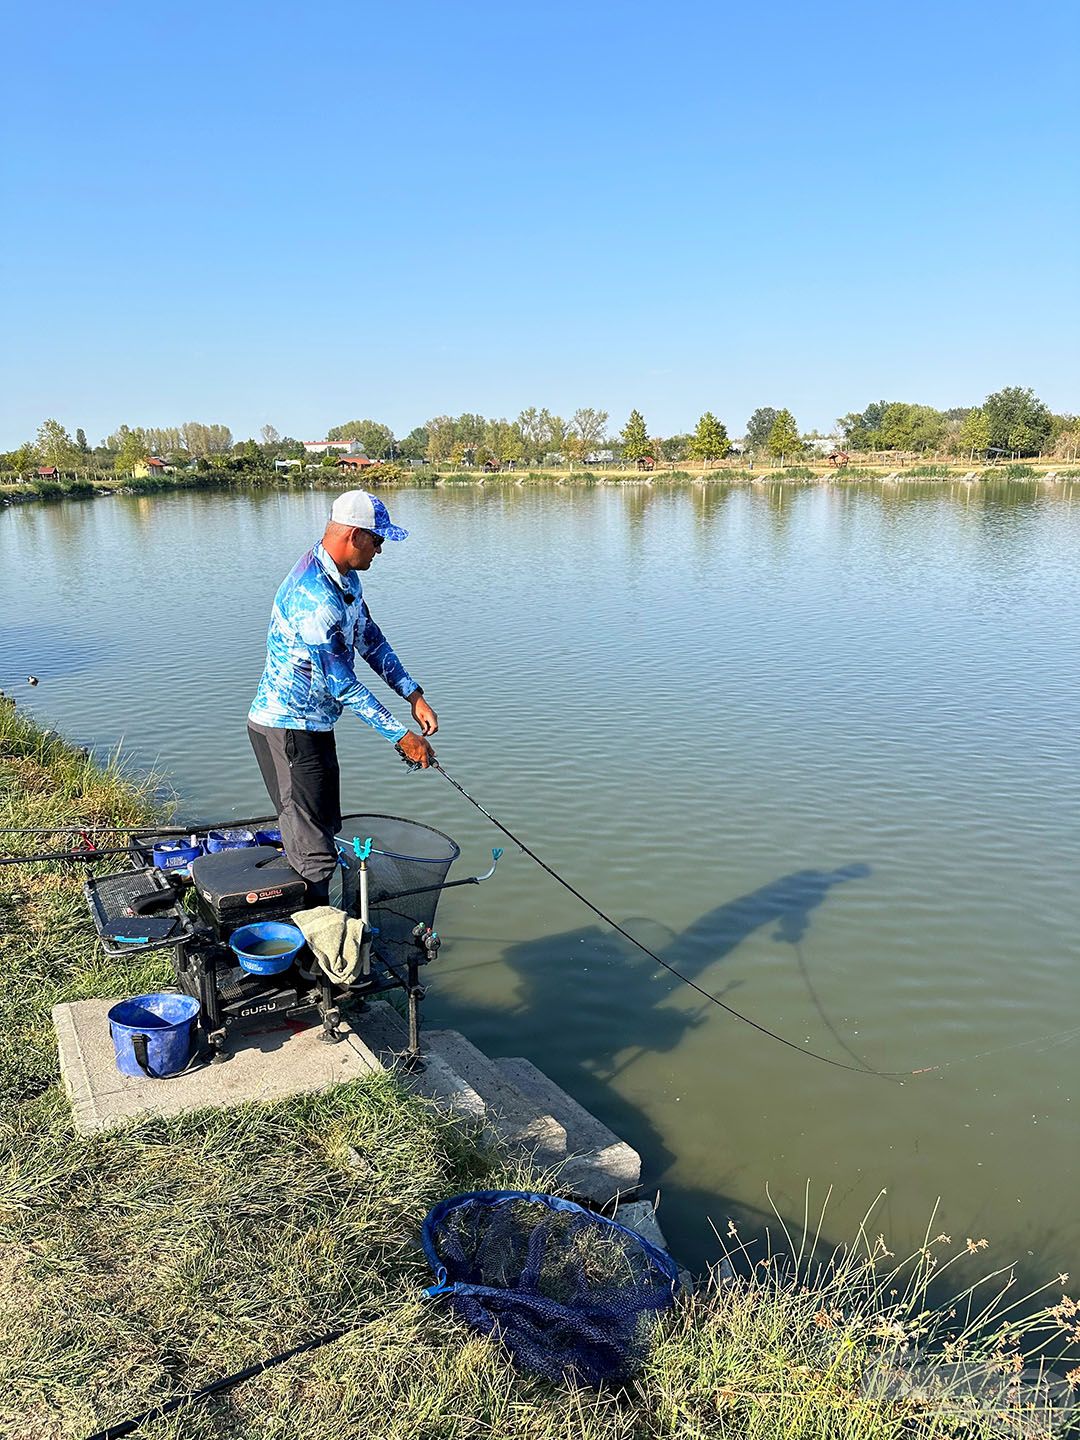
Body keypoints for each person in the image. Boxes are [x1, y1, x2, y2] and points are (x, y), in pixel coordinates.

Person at [247, 489, 437, 904]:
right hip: (286, 730)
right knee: (314, 854)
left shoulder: (346, 578)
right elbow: (342, 683)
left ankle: (321, 929)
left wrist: (413, 693)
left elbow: (369, 638)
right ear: (354, 536)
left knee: (325, 826)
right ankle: (316, 953)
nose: (381, 550)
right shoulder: (314, 597)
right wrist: (401, 737)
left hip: (314, 726)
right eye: (378, 540)